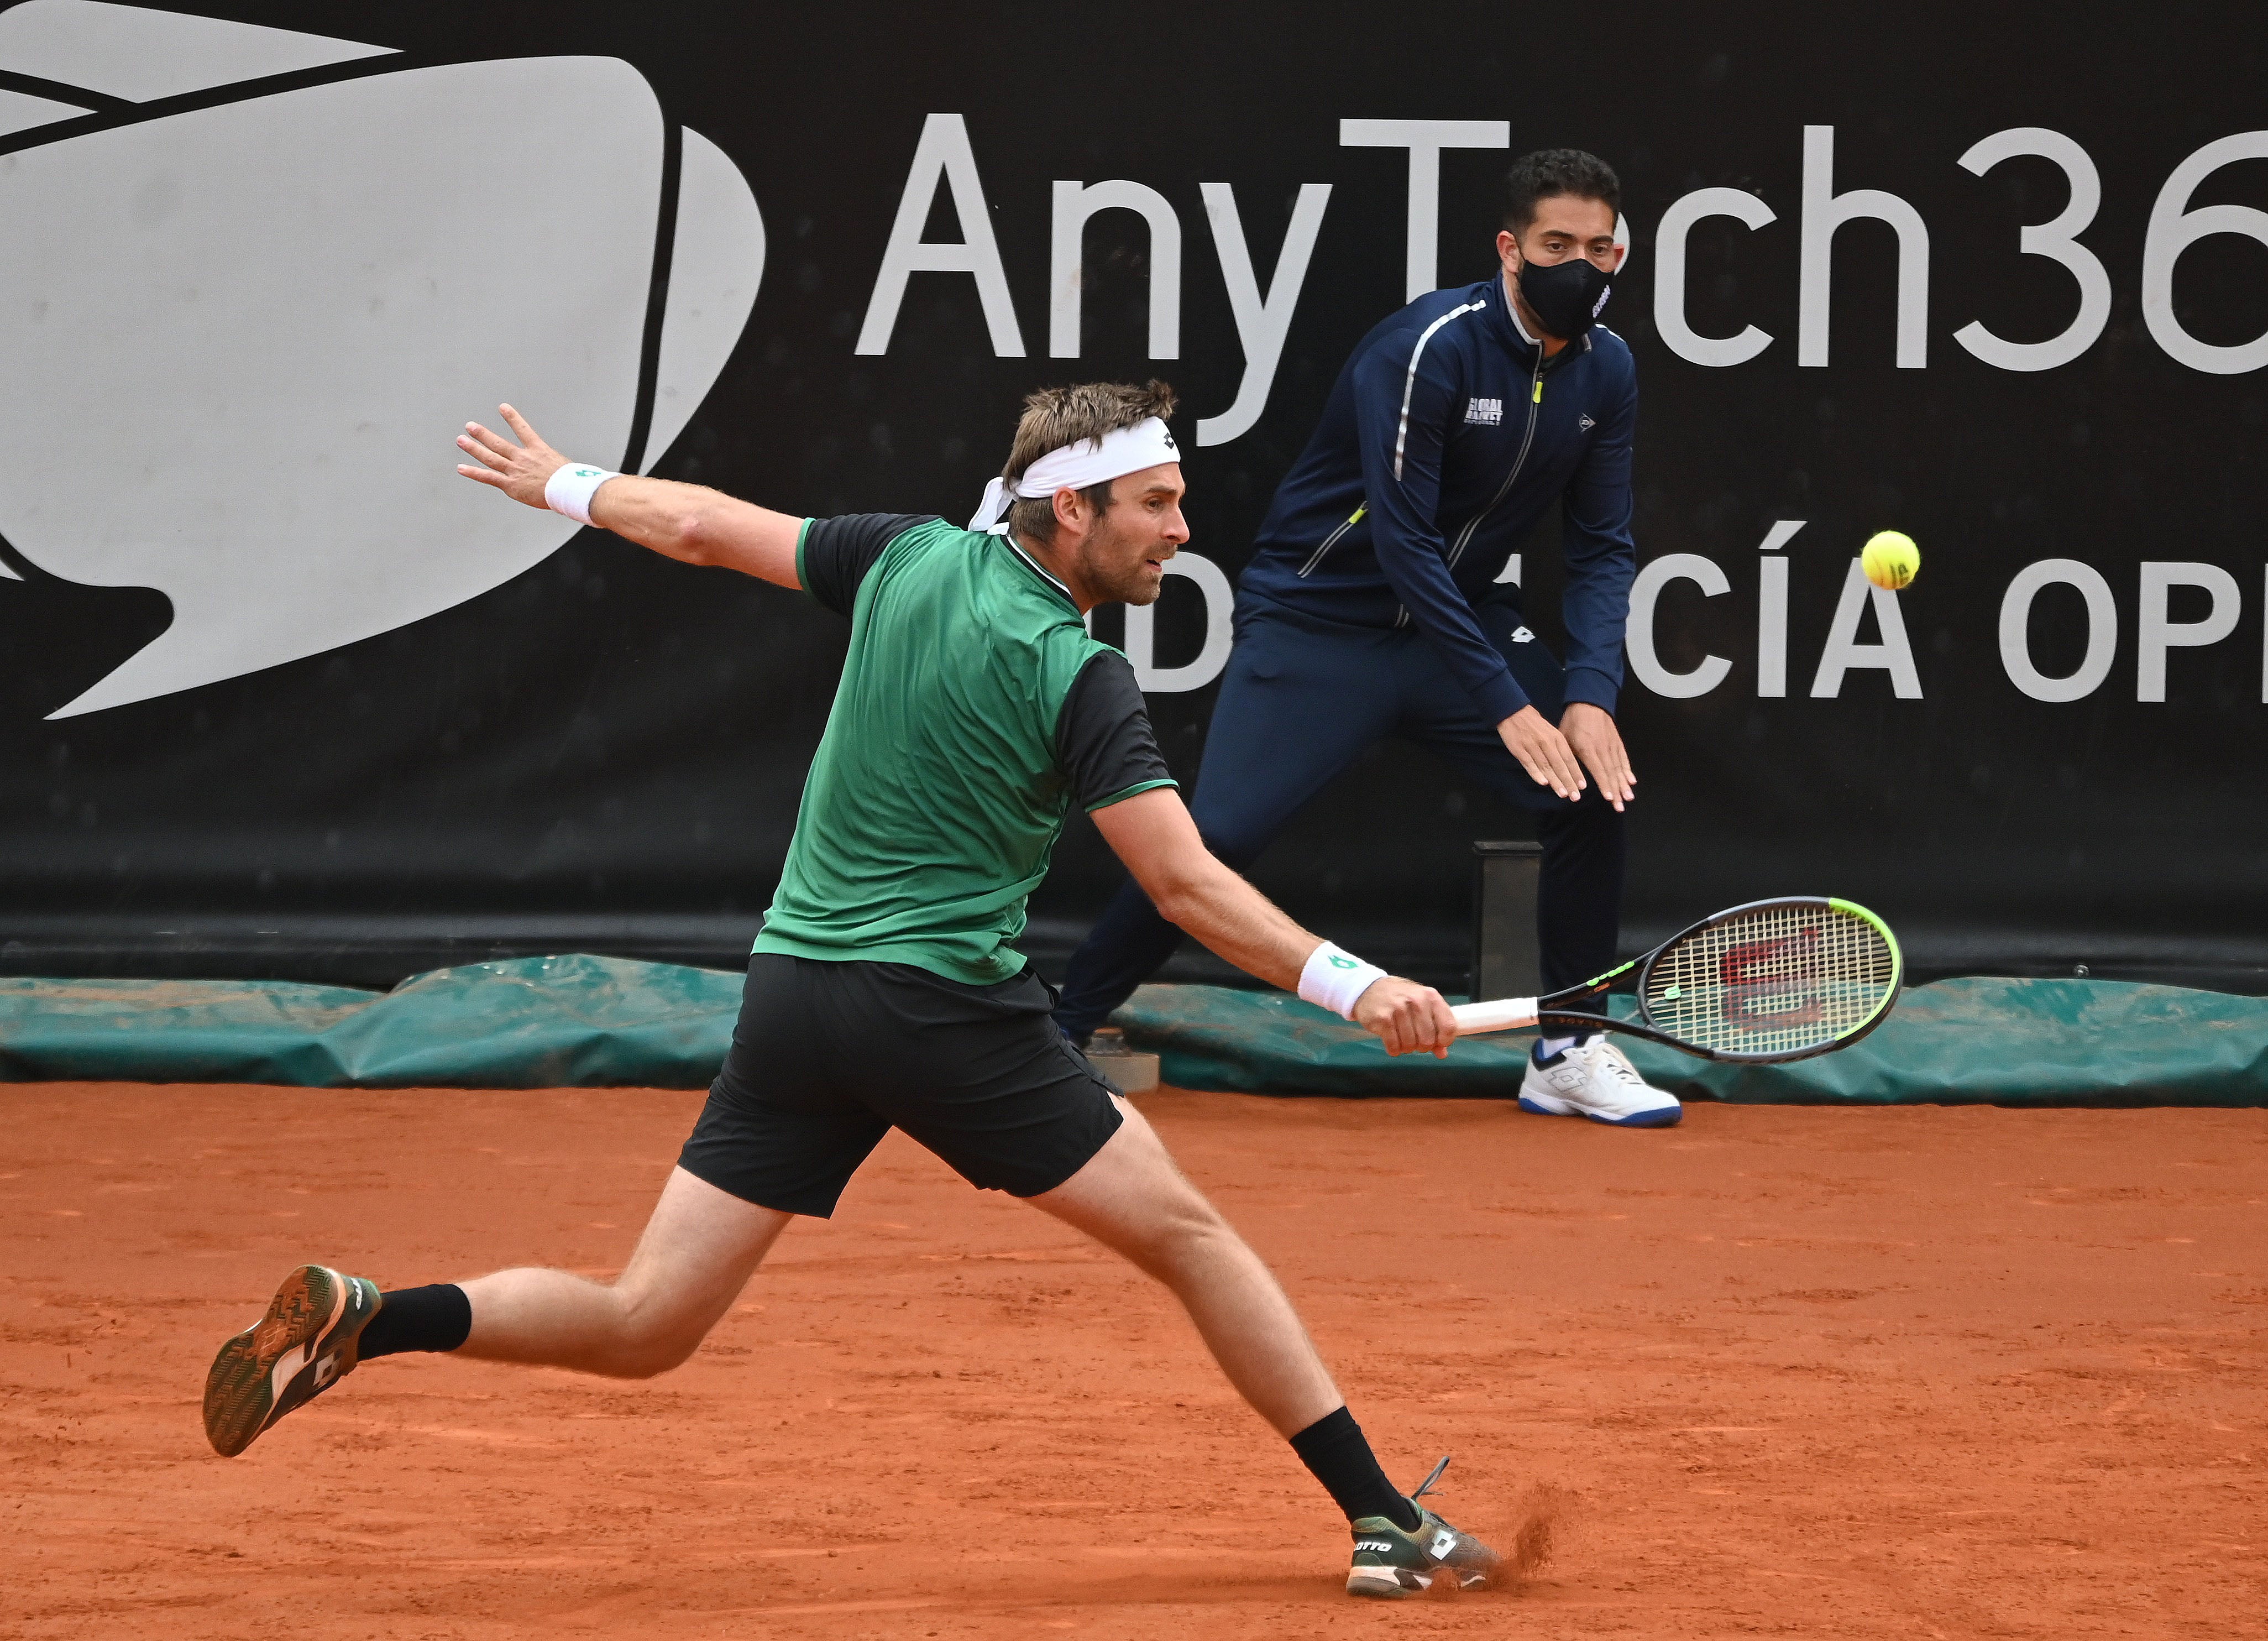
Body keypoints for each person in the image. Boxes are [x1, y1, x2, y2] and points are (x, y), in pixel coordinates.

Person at [199, 382, 1501, 1600]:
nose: (1182, 525)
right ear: (1072, 507)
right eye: (1156, 500)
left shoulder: (904, 554)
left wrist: (565, 484)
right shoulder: (1077, 669)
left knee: (646, 1320)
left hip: (794, 1001)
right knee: (1194, 1239)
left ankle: (374, 1319)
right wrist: (1354, 981)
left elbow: (703, 526)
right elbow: (1185, 887)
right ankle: (1383, 1515)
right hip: (941, 1015)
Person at [1054, 149, 1679, 1128]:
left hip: (1457, 620)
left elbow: (1603, 546)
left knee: (1591, 788)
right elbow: (1403, 539)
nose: (1582, 266)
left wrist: (1589, 694)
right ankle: (1060, 1034)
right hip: (1320, 621)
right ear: (1510, 250)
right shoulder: (1427, 347)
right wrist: (1511, 704)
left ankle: (1567, 1046)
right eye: (1558, 244)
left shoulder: (1610, 370)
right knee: (1214, 842)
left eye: (1601, 249)